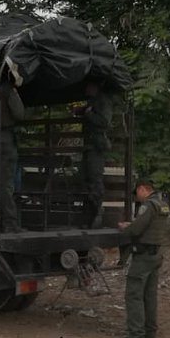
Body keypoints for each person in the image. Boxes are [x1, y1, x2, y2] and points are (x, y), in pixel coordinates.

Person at [117, 180, 169, 338]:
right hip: (156, 255)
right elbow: (150, 226)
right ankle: (149, 333)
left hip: (143, 256)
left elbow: (137, 229)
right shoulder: (162, 204)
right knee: (149, 296)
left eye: (137, 193)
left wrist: (126, 227)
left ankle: (136, 334)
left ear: (142, 189)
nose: (136, 197)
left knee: (134, 295)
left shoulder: (148, 205)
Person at [77, 80, 113, 229]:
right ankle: (88, 217)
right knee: (86, 180)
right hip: (89, 146)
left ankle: (95, 215)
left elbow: (104, 121)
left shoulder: (103, 100)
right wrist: (82, 111)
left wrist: (88, 114)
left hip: (96, 146)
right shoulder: (94, 101)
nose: (86, 89)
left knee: (95, 180)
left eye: (89, 85)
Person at [0, 67, 27, 234]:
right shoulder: (8, 90)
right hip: (5, 139)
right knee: (6, 184)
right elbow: (19, 113)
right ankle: (9, 224)